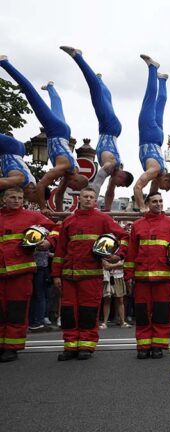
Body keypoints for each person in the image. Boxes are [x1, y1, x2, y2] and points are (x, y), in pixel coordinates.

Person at [0, 56, 88, 212]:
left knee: (57, 107)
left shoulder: (70, 171)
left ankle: (51, 88)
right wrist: (43, 208)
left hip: (64, 133)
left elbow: (59, 195)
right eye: (73, 187)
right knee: (32, 95)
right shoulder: (64, 167)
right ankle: (5, 63)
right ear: (75, 180)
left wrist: (60, 216)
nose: (69, 187)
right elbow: (41, 185)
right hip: (55, 131)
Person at [52, 187, 127, 361]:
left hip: (91, 277)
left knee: (88, 312)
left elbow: (124, 237)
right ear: (79, 199)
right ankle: (70, 346)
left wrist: (118, 255)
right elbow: (60, 250)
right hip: (68, 277)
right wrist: (56, 274)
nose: (88, 199)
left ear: (95, 201)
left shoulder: (103, 219)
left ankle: (86, 346)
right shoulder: (69, 221)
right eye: (85, 196)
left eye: (91, 197)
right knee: (69, 313)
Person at [60, 46, 133, 210]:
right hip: (110, 128)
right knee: (96, 95)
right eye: (120, 184)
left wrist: (107, 211)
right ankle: (78, 56)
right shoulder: (111, 166)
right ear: (122, 176)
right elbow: (98, 181)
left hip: (109, 129)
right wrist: (90, 201)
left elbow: (109, 193)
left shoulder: (114, 170)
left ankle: (100, 80)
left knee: (105, 99)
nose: (117, 185)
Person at [124, 192, 170, 359]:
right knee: (143, 313)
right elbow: (131, 252)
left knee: (161, 312)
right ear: (147, 203)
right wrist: (128, 275)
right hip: (142, 278)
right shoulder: (137, 225)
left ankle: (158, 345)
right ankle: (143, 346)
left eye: (161, 201)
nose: (158, 204)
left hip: (164, 278)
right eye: (154, 201)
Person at [0, 187, 57, 362]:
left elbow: (55, 229)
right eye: (12, 197)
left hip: (21, 273)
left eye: (20, 198)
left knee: (16, 311)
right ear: (4, 199)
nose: (17, 200)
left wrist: (48, 241)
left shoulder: (31, 217)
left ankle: (12, 347)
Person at [133, 54, 170, 213]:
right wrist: (142, 208)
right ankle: (153, 68)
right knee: (149, 101)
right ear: (165, 179)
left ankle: (162, 80)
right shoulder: (154, 170)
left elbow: (153, 193)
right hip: (149, 136)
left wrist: (151, 206)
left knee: (159, 107)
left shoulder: (160, 173)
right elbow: (137, 187)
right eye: (167, 187)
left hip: (157, 138)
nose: (164, 190)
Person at [0, 133, 37, 201]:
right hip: (10, 148)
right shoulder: (21, 180)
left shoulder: (31, 182)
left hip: (19, 150)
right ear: (34, 192)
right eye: (27, 197)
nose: (25, 197)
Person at [100, 258, 130, 329]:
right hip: (107, 277)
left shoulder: (122, 249)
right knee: (107, 300)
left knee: (120, 300)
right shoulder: (106, 249)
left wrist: (110, 264)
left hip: (119, 276)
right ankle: (104, 323)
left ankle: (123, 322)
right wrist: (117, 264)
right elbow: (105, 266)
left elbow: (123, 264)